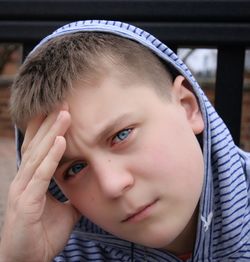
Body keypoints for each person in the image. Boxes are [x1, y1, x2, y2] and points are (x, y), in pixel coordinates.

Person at [0, 20, 249, 262]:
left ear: (187, 107)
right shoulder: (55, 251)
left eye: (122, 135)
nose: (112, 185)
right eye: (75, 168)